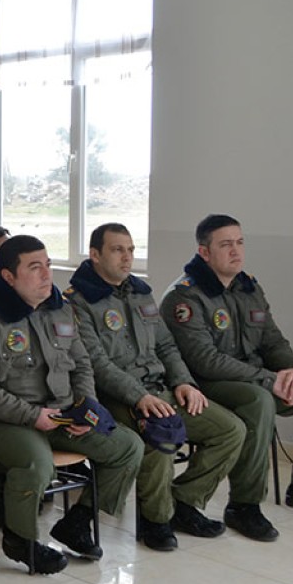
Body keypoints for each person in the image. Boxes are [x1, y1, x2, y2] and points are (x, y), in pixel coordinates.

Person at [0, 235, 144, 574]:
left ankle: (77, 522)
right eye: (34, 268)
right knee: (37, 463)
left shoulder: (60, 309)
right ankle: (20, 539)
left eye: (48, 265)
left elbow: (82, 364)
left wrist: (87, 408)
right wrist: (31, 415)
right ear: (9, 277)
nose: (46, 275)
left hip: (58, 412)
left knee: (127, 446)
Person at [162, 214, 293, 531]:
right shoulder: (184, 296)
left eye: (240, 243)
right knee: (259, 400)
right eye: (226, 245)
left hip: (256, 377)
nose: (236, 251)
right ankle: (244, 505)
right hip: (207, 385)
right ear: (204, 252)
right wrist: (270, 380)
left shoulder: (248, 287)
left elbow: (272, 340)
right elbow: (205, 361)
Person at [67, 224, 245, 550]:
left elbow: (166, 346)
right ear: (94, 255)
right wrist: (140, 396)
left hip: (160, 387)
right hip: (115, 395)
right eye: (117, 250)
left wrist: (184, 382)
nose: (127, 257)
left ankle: (185, 503)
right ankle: (156, 521)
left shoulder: (140, 293)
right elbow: (96, 364)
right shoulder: (77, 303)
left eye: (131, 249)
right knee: (161, 433)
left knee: (231, 429)